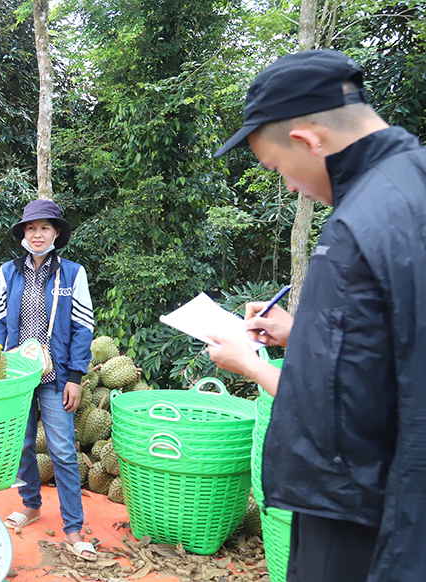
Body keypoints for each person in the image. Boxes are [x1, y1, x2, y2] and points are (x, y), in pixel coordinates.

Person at [207, 50, 426, 582]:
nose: (289, 185)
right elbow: (386, 351)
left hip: (362, 517)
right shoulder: (408, 186)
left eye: (279, 169)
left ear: (308, 141)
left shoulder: (360, 225)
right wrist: (297, 332)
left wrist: (253, 366)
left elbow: (350, 414)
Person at [0, 199, 96, 561]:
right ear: (23, 233)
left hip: (56, 375)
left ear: (56, 233)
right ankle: (31, 504)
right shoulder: (8, 272)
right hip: (18, 376)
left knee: (63, 450)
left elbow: (83, 327)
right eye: (31, 228)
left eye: (45, 228)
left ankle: (73, 528)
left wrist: (76, 377)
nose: (38, 234)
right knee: (20, 445)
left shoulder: (72, 274)